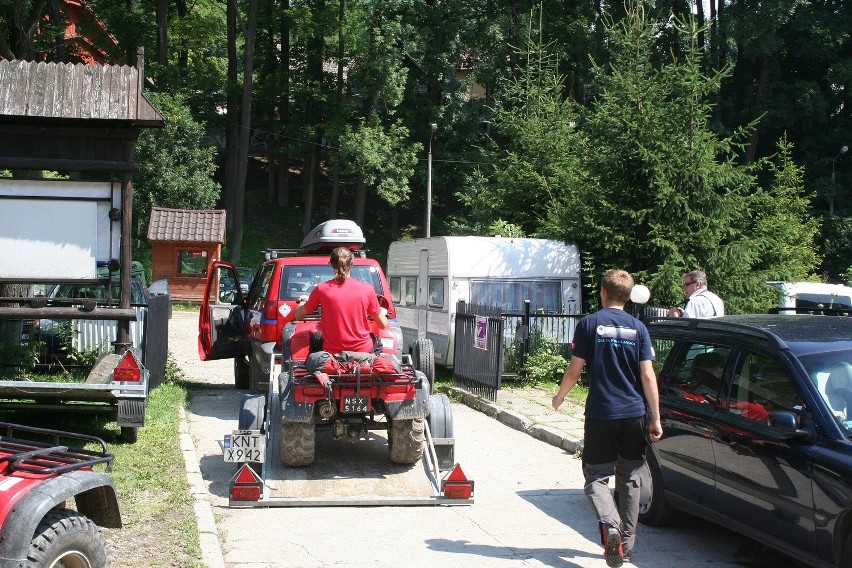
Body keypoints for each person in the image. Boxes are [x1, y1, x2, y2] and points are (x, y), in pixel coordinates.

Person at [551, 269, 662, 568]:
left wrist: (560, 396)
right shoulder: (639, 328)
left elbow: (575, 370)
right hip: (635, 414)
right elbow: (648, 375)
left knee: (596, 477)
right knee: (630, 477)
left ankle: (609, 525)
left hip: (602, 413)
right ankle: (625, 545)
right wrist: (656, 418)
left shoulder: (589, 324)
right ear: (628, 296)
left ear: (602, 291)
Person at [292, 247, 388, 354]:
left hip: (331, 352)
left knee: (316, 338)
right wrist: (380, 311)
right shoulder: (367, 289)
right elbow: (382, 325)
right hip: (363, 351)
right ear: (352, 263)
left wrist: (302, 302)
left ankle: (314, 369)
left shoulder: (321, 289)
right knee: (377, 342)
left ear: (331, 264)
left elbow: (298, 315)